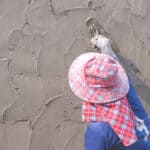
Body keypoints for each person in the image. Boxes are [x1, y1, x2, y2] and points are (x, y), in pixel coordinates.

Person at [68, 34, 150, 150]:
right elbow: (117, 76)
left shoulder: (99, 130)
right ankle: (105, 45)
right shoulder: (128, 93)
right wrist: (105, 48)